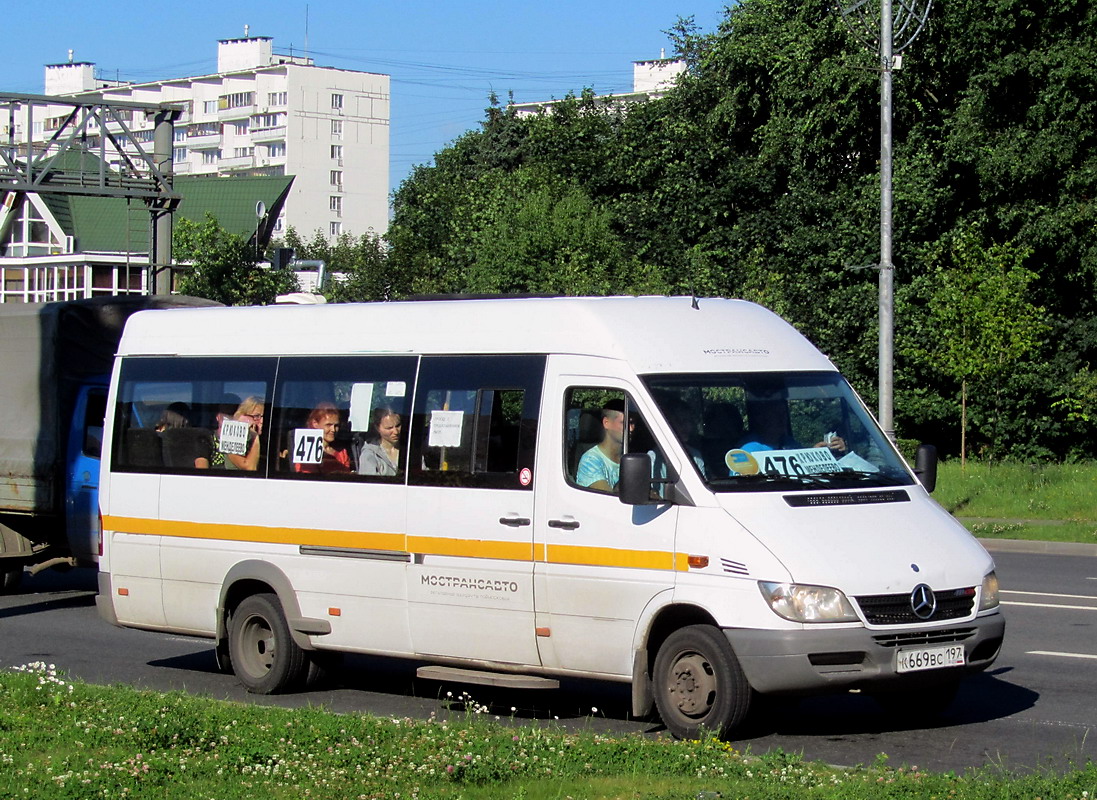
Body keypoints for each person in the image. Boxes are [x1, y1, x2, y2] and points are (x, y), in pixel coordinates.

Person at [576, 399, 631, 492]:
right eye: (624, 423)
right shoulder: (590, 461)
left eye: (632, 423)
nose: (631, 428)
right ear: (606, 423)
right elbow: (610, 499)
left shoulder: (631, 456)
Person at [296, 403, 352, 474]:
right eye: (328, 425)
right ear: (315, 423)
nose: (333, 430)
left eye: (336, 426)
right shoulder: (306, 451)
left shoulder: (342, 453)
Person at [357, 407, 402, 476]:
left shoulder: (410, 449)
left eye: (398, 426)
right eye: (389, 428)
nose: (396, 432)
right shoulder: (370, 454)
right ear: (377, 428)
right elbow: (369, 483)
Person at [225, 396, 264, 472]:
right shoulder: (233, 435)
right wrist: (255, 437)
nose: (261, 421)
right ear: (242, 416)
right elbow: (250, 467)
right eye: (256, 416)